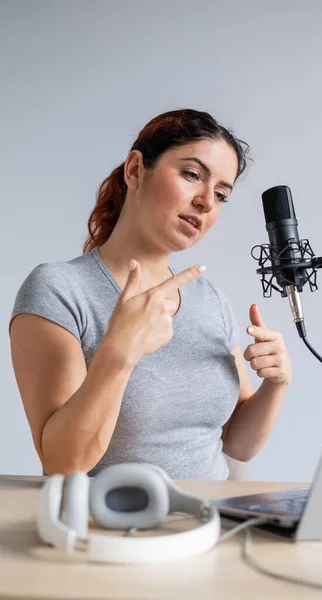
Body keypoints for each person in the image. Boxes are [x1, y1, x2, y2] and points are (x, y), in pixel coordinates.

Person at [9, 108, 291, 480]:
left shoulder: (209, 300)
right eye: (192, 175)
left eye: (221, 194)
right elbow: (63, 464)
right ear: (135, 170)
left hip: (214, 521)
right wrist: (118, 353)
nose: (206, 201)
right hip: (118, 528)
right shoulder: (59, 290)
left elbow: (237, 445)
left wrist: (276, 384)